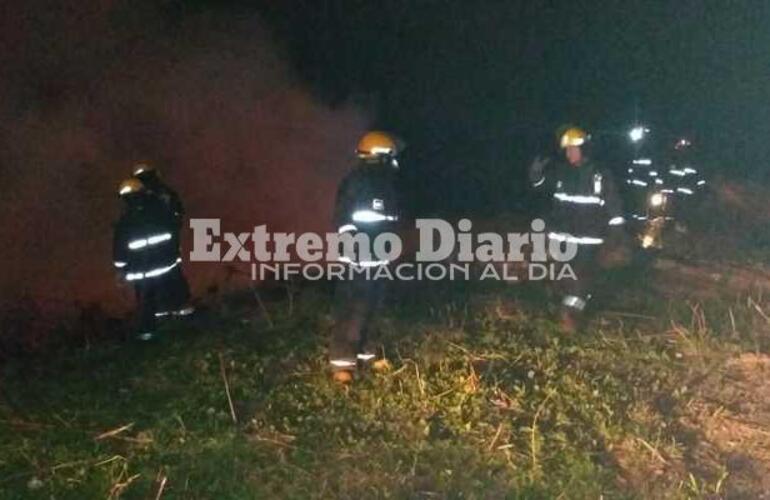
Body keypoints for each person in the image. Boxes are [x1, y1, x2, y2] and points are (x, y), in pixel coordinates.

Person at [529, 126, 625, 332]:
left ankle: (570, 316)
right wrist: (536, 174)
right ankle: (560, 309)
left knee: (580, 280)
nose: (569, 154)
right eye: (567, 150)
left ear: (585, 150)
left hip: (587, 241)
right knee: (557, 277)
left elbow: (613, 204)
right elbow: (541, 186)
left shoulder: (600, 175)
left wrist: (616, 231)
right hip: (561, 239)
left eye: (573, 149)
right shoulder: (562, 172)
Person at [329, 131, 401, 384]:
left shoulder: (385, 185)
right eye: (390, 156)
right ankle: (343, 364)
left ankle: (369, 354)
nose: (393, 161)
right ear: (379, 156)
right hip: (357, 261)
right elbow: (343, 219)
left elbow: (387, 221)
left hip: (379, 259)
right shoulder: (356, 182)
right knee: (352, 310)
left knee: (374, 309)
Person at [113, 178, 192, 340]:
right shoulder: (159, 212)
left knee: (146, 302)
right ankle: (183, 324)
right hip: (165, 264)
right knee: (173, 294)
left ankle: (148, 332)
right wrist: (174, 253)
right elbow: (173, 229)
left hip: (142, 271)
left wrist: (121, 269)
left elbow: (119, 249)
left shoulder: (125, 221)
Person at [132, 162, 184, 228]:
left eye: (146, 176)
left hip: (165, 224)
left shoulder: (164, 191)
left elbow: (176, 206)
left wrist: (176, 216)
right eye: (140, 178)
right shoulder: (137, 195)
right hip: (145, 225)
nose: (144, 180)